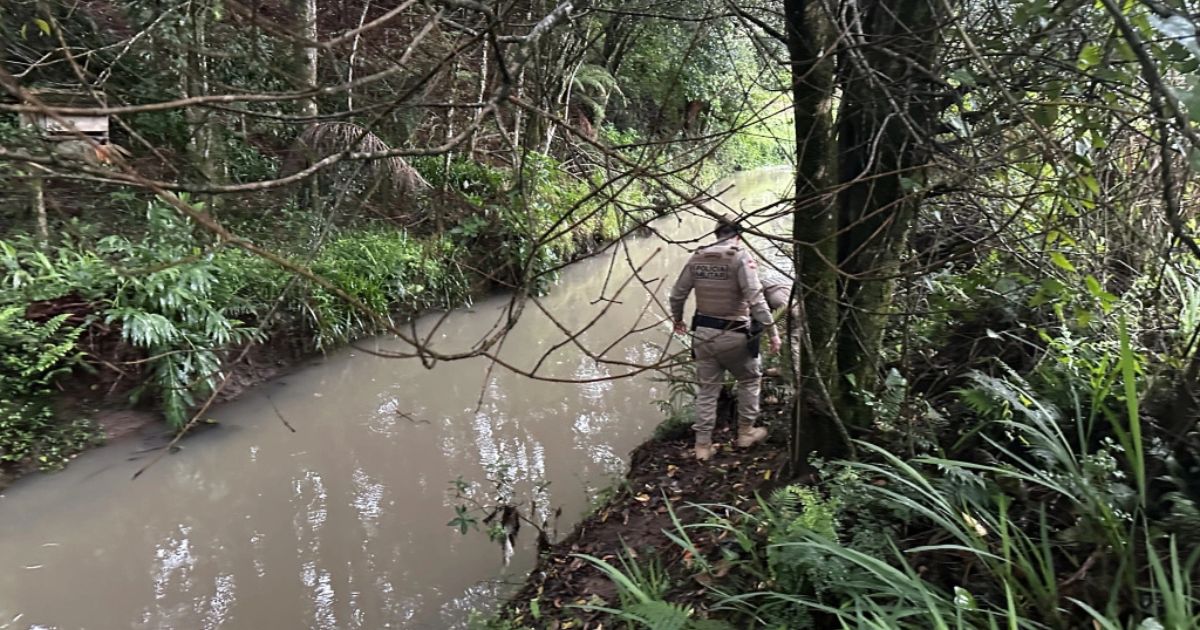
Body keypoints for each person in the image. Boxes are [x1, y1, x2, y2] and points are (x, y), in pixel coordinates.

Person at [669, 215, 781, 461]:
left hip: (703, 335)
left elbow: (677, 295)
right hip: (735, 334)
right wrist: (773, 331)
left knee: (707, 390)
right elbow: (756, 299)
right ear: (738, 235)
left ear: (716, 234)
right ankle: (745, 433)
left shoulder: (696, 257)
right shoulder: (740, 257)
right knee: (750, 380)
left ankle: (702, 447)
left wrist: (678, 320)